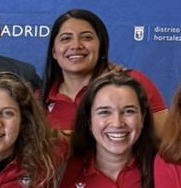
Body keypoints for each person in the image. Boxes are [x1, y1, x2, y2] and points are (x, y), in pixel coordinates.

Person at [38, 8, 167, 133]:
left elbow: (165, 142)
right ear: (54, 51)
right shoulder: (38, 100)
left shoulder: (133, 83)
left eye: (87, 37)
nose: (76, 45)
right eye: (66, 38)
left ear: (101, 46)